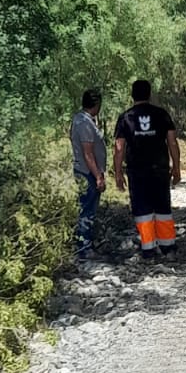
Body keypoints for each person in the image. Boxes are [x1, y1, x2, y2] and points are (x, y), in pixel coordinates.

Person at [113, 79, 181, 259]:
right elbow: (172, 142)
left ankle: (148, 248)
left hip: (137, 171)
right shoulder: (162, 115)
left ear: (132, 95)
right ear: (149, 94)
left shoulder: (125, 118)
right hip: (159, 170)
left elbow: (119, 148)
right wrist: (176, 168)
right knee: (162, 208)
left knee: (142, 210)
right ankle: (168, 247)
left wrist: (118, 173)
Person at [70, 88, 106, 260]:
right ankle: (83, 248)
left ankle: (86, 244)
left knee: (88, 209)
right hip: (87, 173)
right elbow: (88, 153)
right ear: (97, 104)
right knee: (86, 210)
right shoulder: (84, 123)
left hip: (87, 171)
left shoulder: (84, 120)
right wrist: (98, 176)